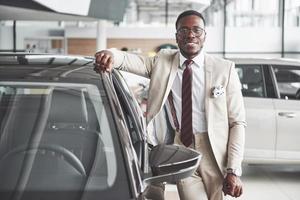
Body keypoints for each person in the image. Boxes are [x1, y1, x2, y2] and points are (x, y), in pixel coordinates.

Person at [94, 10, 246, 200]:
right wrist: (111, 55)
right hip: (181, 146)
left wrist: (233, 170)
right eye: (184, 30)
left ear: (204, 36)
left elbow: (237, 123)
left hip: (214, 151)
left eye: (197, 30)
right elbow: (129, 60)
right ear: (176, 37)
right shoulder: (163, 61)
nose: (190, 34)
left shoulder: (224, 69)